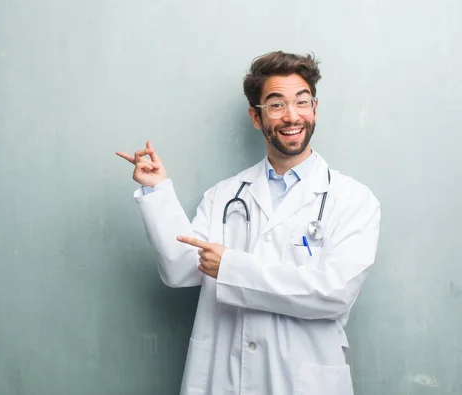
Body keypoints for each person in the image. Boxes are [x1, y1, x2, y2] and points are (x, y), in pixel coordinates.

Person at [116, 51, 381, 395]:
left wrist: (230, 266)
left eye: (302, 101)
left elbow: (334, 293)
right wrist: (158, 193)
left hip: (300, 380)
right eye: (276, 104)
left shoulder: (353, 200)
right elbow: (180, 270)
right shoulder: (224, 196)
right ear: (256, 117)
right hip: (225, 376)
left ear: (314, 108)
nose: (291, 116)